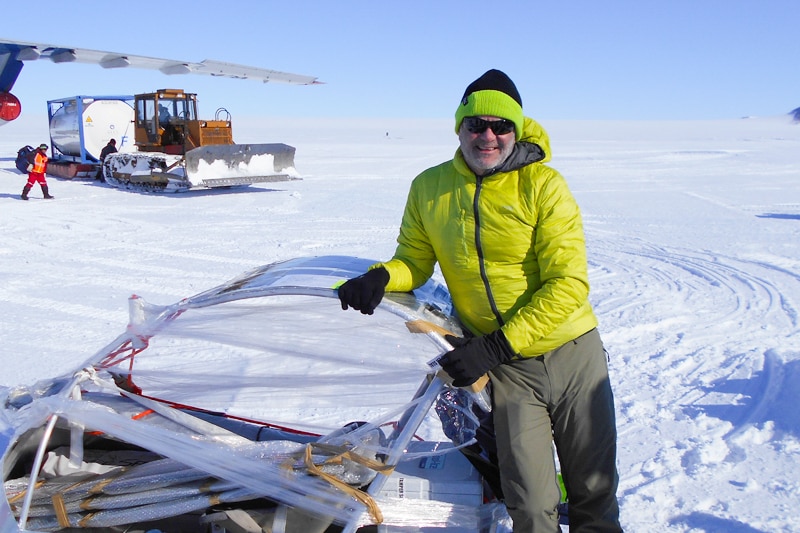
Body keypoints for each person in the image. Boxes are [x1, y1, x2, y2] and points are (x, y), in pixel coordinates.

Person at [338, 69, 622, 532]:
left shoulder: (544, 185)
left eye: (501, 126)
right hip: (510, 372)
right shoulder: (430, 187)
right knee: (530, 503)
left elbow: (568, 285)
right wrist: (382, 276)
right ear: (460, 128)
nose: (488, 136)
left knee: (593, 492)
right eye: (476, 125)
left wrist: (494, 346)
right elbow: (415, 260)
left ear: (517, 130)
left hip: (572, 356)